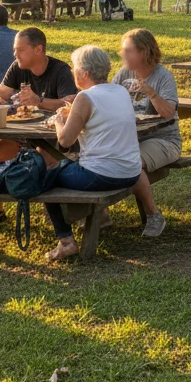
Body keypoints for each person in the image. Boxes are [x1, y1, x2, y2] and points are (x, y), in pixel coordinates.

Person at [43, 45, 146, 261]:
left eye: (74, 68)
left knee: (46, 175)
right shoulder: (120, 91)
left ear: (85, 73)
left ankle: (66, 242)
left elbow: (64, 141)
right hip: (131, 172)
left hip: (101, 175)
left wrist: (59, 122)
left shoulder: (85, 98)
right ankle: (83, 220)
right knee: (66, 166)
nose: (72, 72)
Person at [0, 28, 78, 227]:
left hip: (54, 137)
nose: (15, 54)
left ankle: (53, 209)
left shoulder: (60, 71)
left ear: (38, 50)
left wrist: (39, 101)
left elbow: (71, 104)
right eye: (15, 50)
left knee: (40, 158)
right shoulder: (17, 67)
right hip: (24, 133)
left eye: (20, 50)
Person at [113, 29, 179, 236]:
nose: (122, 55)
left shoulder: (163, 76)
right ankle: (100, 215)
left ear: (143, 52)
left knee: (131, 162)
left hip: (163, 140)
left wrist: (150, 92)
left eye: (127, 51)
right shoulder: (124, 74)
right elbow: (108, 99)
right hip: (130, 139)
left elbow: (168, 112)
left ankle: (154, 216)